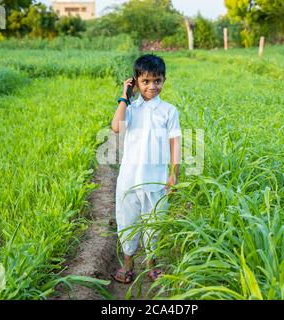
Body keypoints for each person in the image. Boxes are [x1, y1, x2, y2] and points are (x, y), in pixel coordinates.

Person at [110, 54, 182, 284]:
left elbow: (175, 143)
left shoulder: (169, 111)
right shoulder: (130, 109)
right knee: (127, 220)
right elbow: (116, 127)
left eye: (157, 80)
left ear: (164, 80)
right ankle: (128, 263)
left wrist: (173, 175)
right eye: (146, 81)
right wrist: (124, 96)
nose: (152, 86)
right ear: (136, 82)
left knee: (154, 222)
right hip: (130, 179)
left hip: (157, 180)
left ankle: (152, 263)